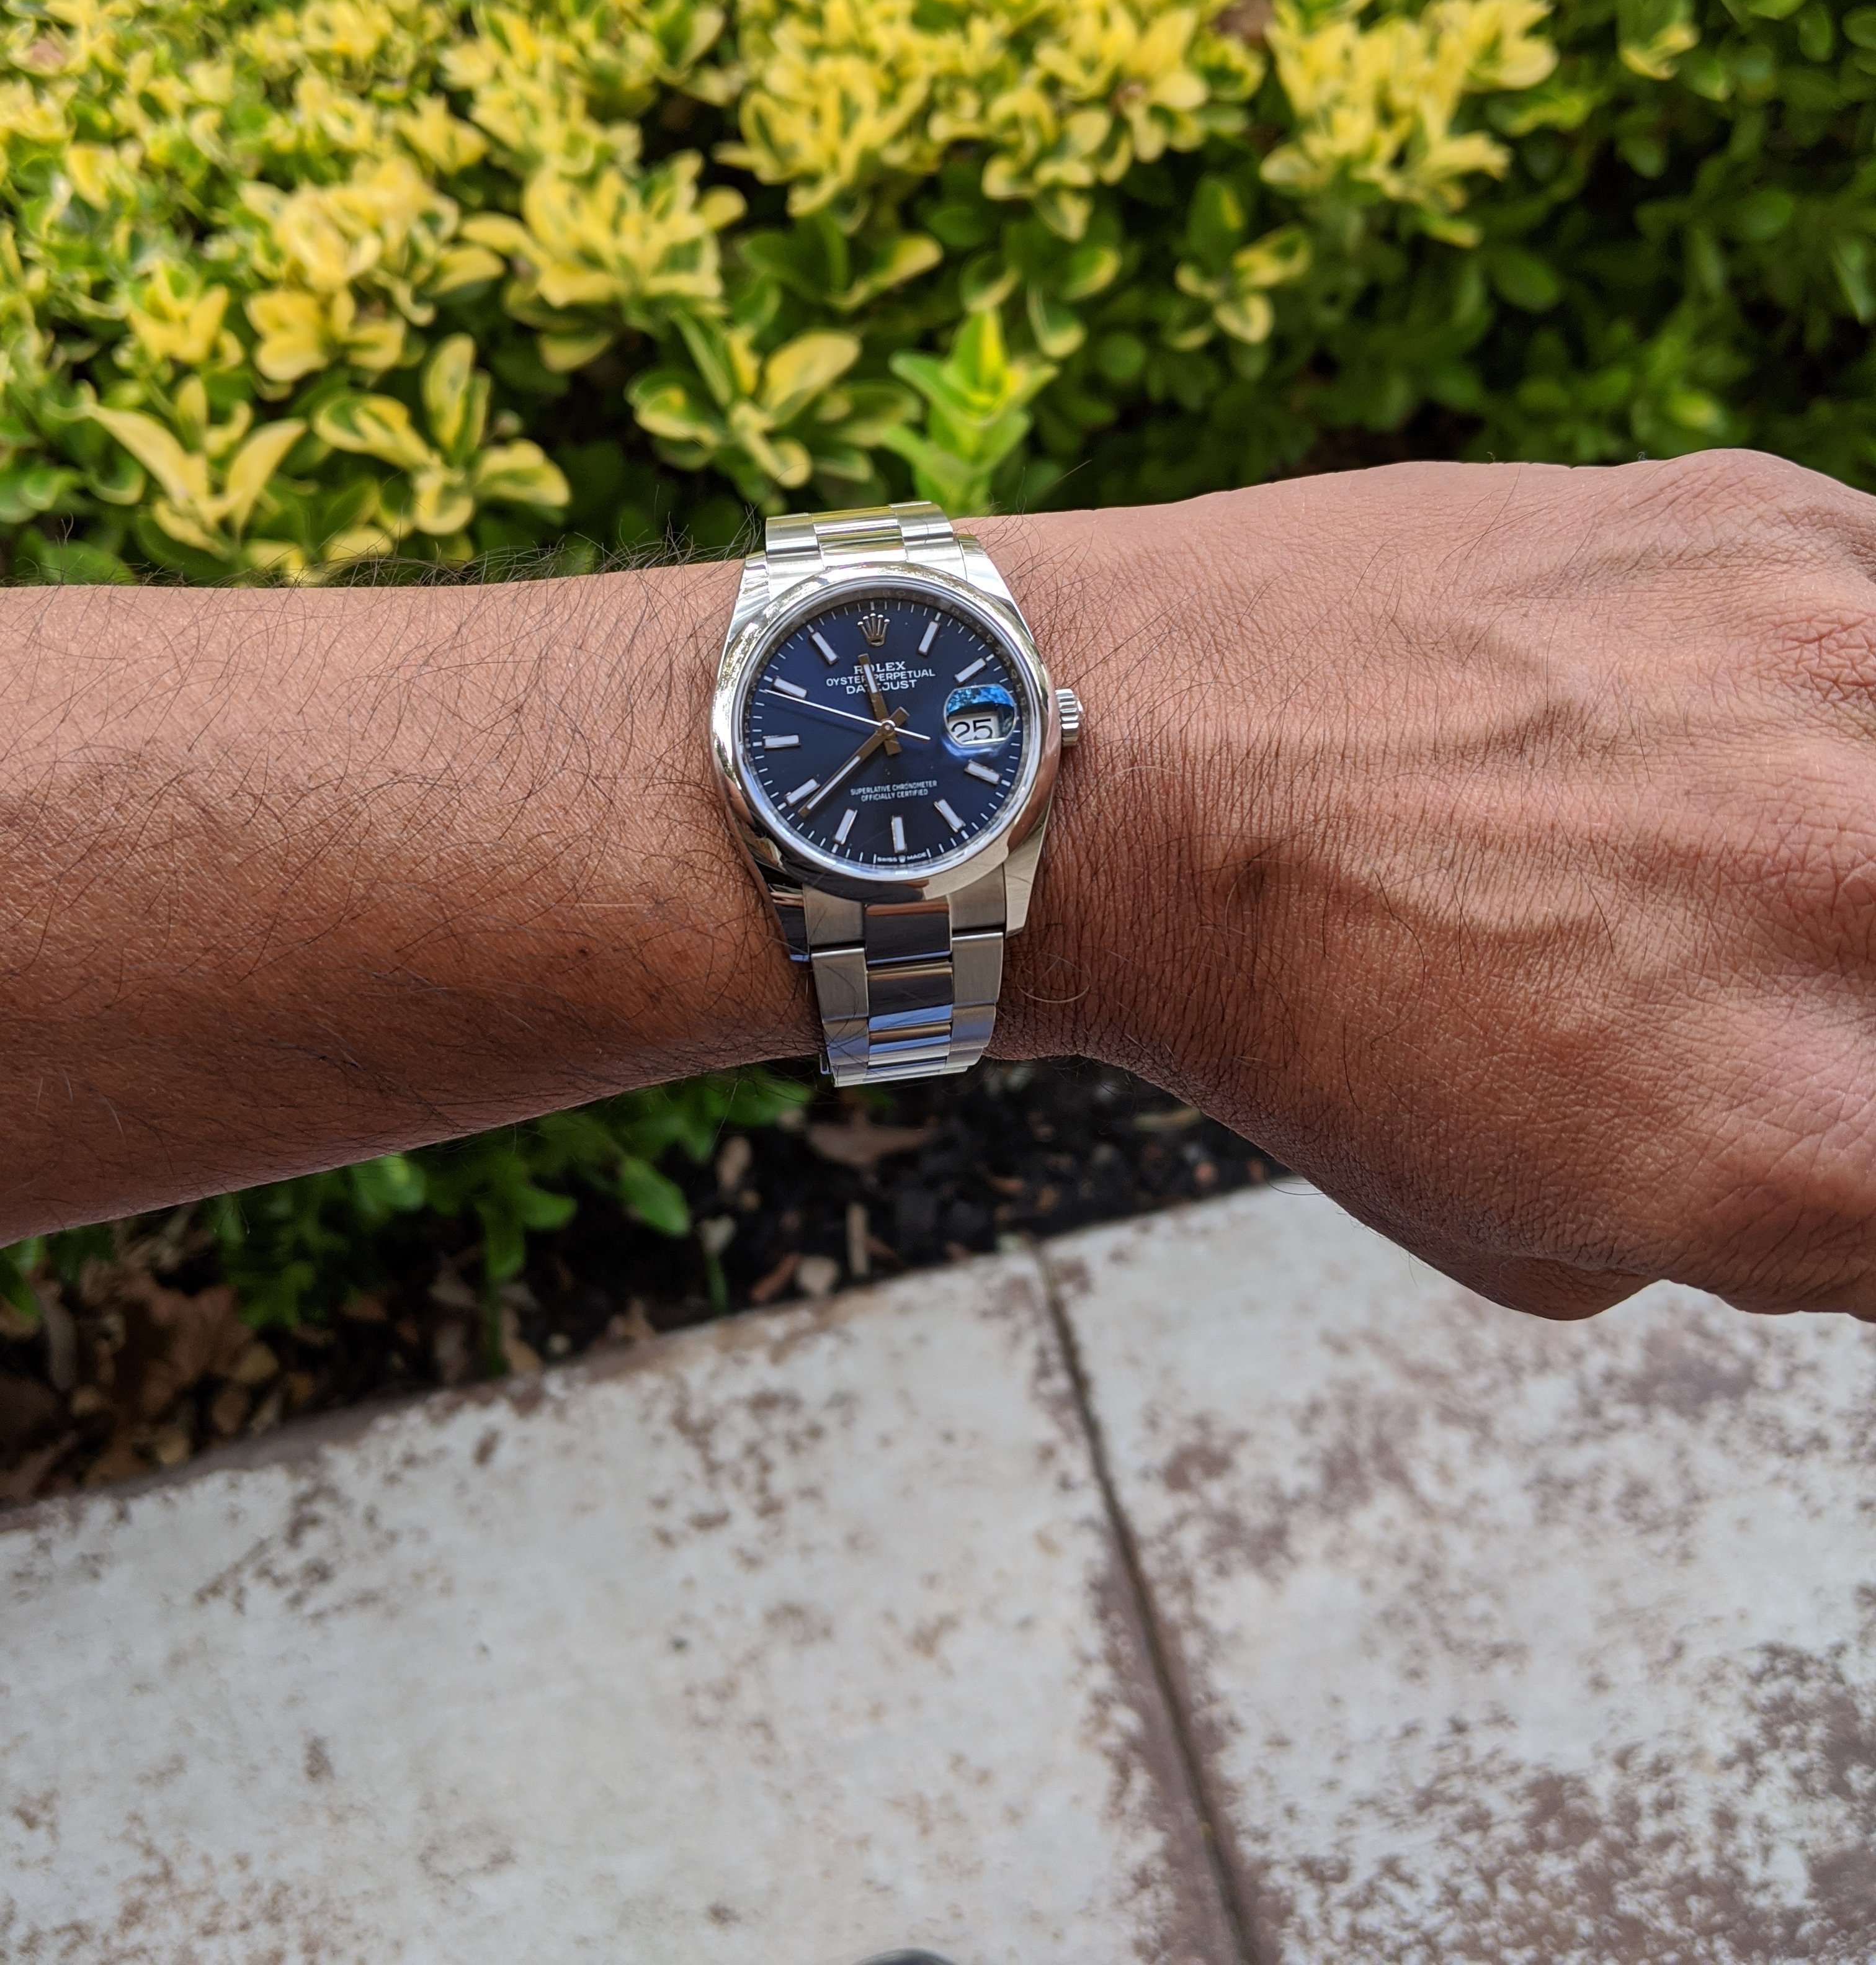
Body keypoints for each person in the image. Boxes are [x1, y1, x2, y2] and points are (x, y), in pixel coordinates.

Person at [2, 447, 1872, 1325]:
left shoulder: (954, 713)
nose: (891, 734)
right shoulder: (805, 737)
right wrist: (1169, 847)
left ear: (1048, 721)